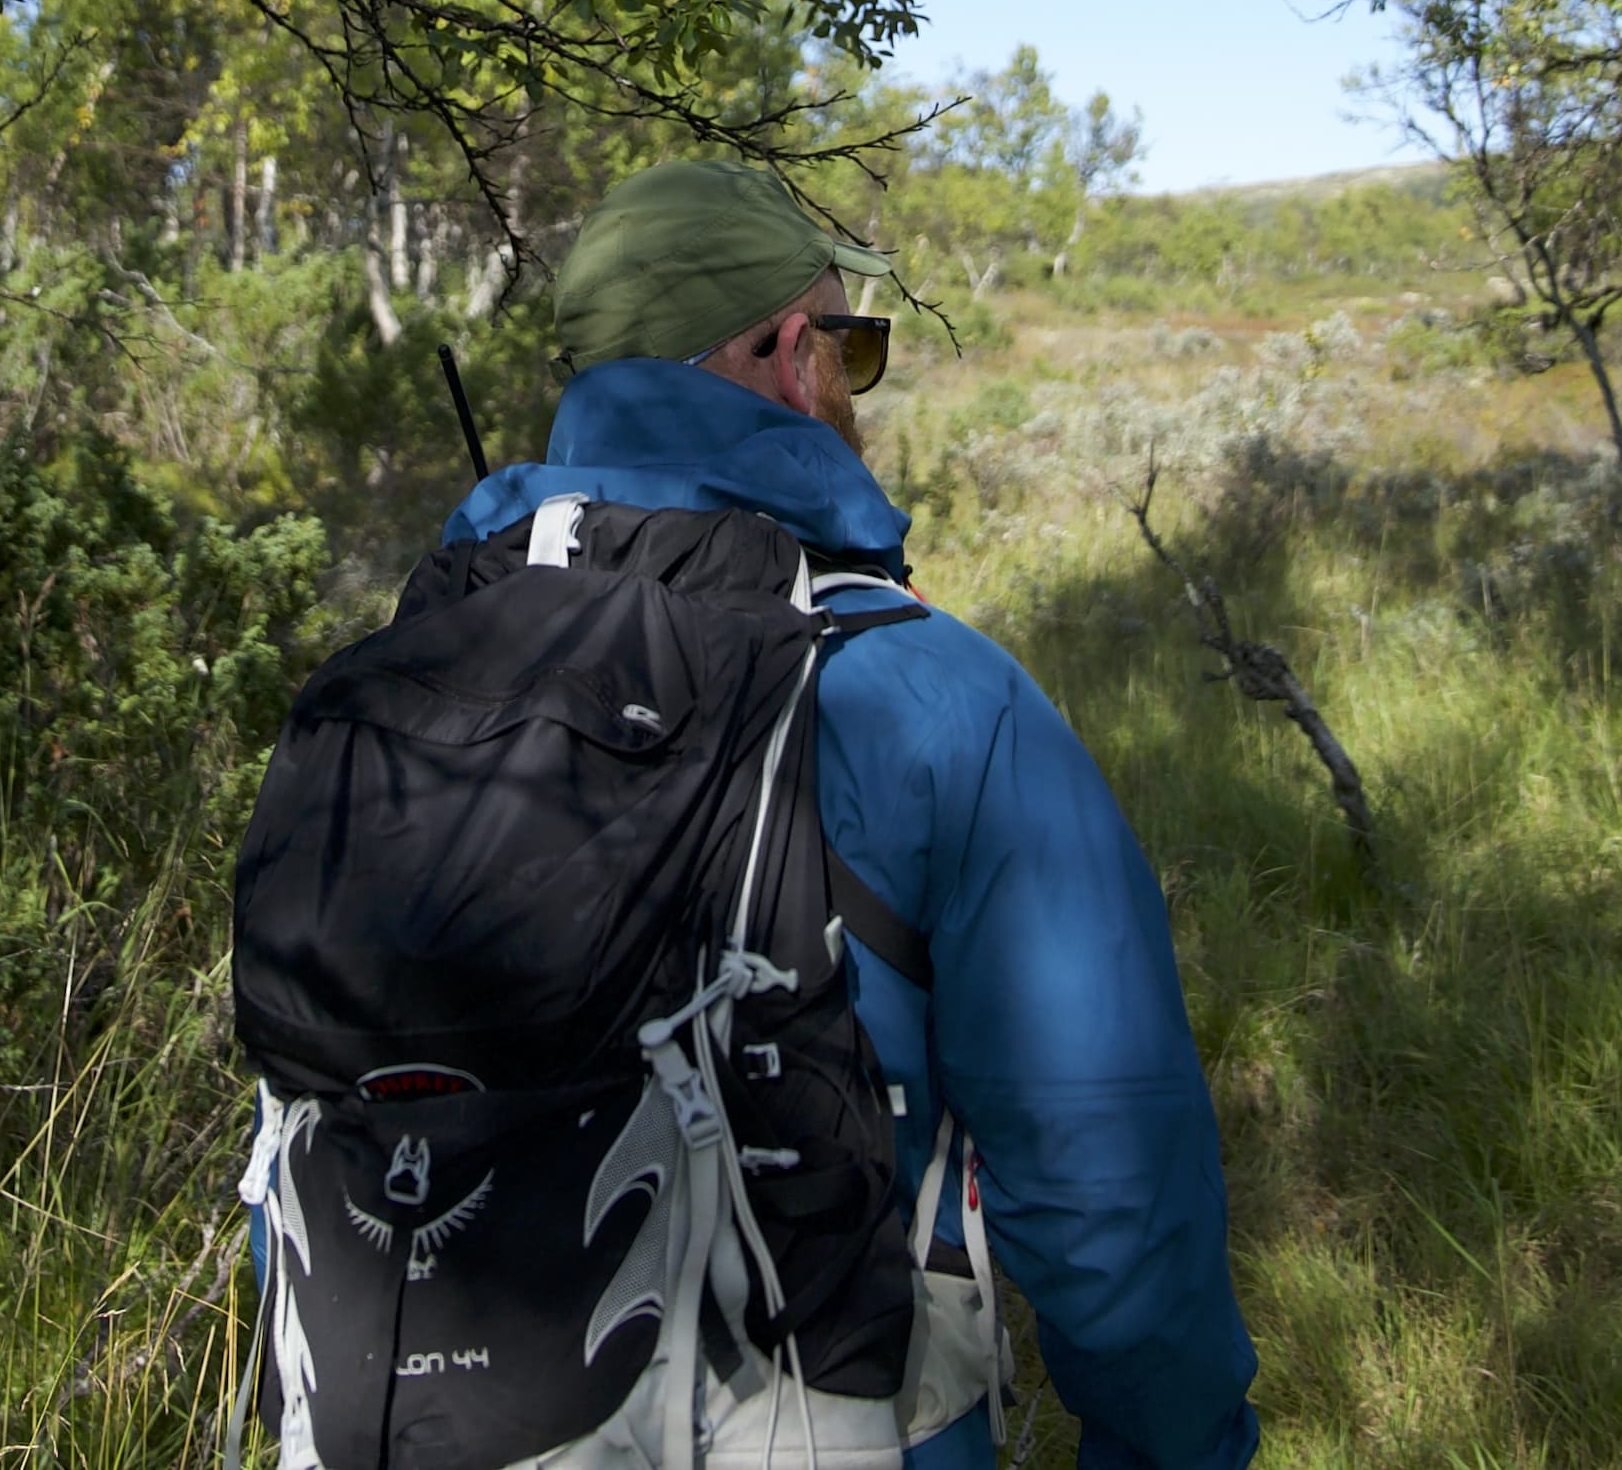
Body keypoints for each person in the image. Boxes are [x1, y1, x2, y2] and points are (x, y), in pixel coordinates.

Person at [442, 159, 1262, 1470]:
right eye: (851, 342)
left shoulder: (412, 678)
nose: (854, 383)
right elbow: (1115, 1202)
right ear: (784, 350)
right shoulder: (934, 697)